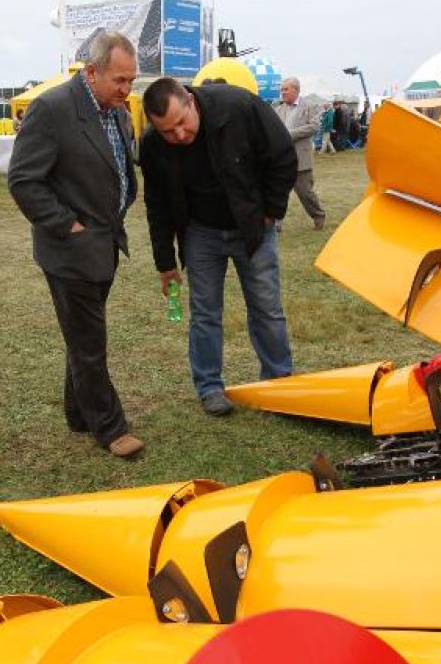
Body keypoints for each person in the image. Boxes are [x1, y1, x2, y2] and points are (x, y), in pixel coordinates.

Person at [8, 32, 144, 457]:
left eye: (131, 81)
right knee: (90, 341)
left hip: (106, 244)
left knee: (81, 335)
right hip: (69, 250)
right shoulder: (52, 109)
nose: (126, 90)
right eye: (120, 80)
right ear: (92, 72)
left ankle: (78, 413)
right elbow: (23, 180)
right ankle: (110, 427)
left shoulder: (119, 114)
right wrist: (67, 225)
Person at [140, 76, 296, 417]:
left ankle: (278, 383)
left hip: (252, 227)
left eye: (182, 123)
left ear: (191, 103)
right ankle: (209, 387)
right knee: (205, 312)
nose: (178, 135)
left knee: (266, 307)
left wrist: (271, 210)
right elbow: (157, 205)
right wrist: (165, 263)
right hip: (200, 232)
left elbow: (282, 154)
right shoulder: (152, 145)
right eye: (167, 131)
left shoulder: (238, 107)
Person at [273, 77, 326, 228]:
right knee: (278, 192)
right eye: (281, 90)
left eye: (286, 89)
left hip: (301, 158)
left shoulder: (310, 106)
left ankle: (318, 214)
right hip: (281, 159)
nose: (282, 93)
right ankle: (277, 223)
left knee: (304, 192)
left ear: (296, 90)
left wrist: (290, 134)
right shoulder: (278, 109)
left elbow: (314, 127)